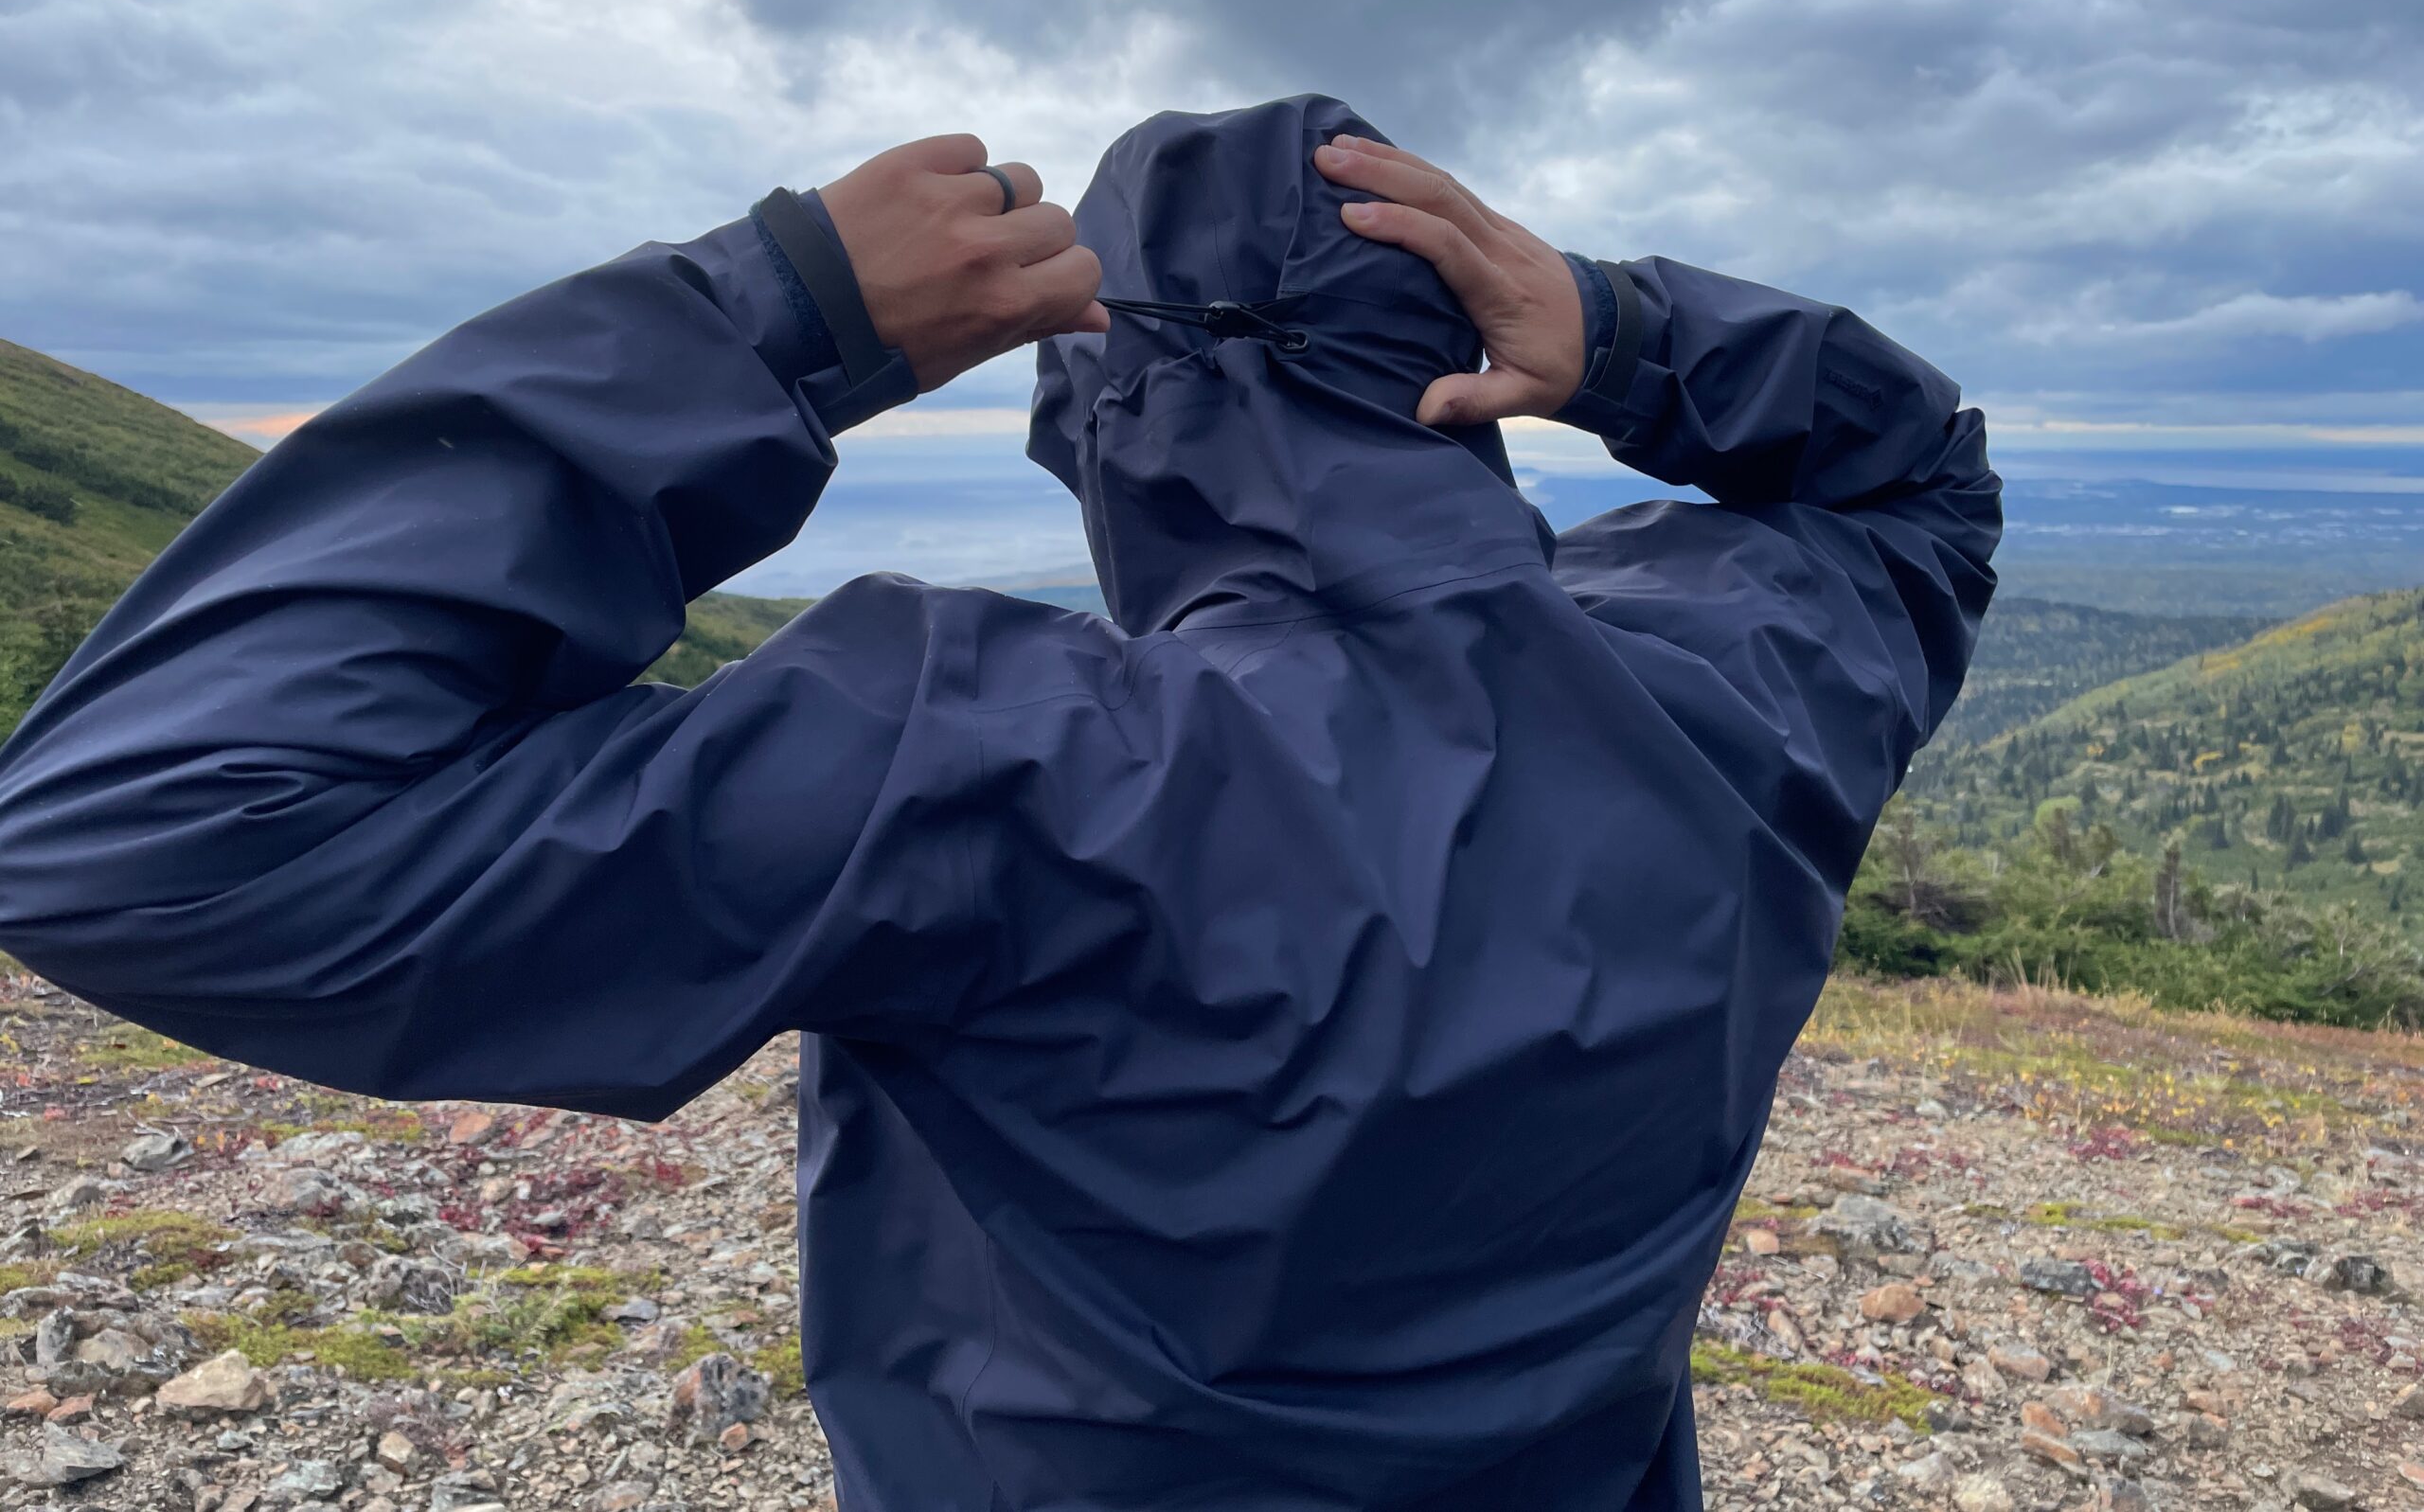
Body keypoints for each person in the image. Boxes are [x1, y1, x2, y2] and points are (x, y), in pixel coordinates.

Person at [0, 95, 2000, 1510]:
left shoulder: (999, 759)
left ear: (1098, 413)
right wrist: (1629, 339)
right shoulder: (1726, 698)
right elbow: (1916, 487)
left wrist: (769, 310)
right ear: (1463, 363)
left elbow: (140, 830)